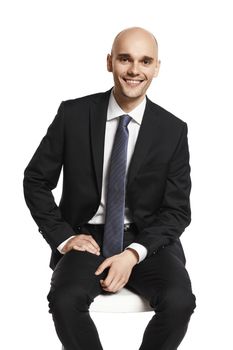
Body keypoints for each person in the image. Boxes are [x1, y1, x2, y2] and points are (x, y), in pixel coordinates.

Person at [23, 27, 196, 350]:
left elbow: (177, 210)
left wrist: (132, 254)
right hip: (86, 236)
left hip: (148, 240)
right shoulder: (73, 115)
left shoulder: (172, 130)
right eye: (125, 59)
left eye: (145, 61)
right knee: (64, 300)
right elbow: (35, 180)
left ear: (157, 67)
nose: (134, 70)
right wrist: (64, 238)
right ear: (109, 62)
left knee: (179, 302)